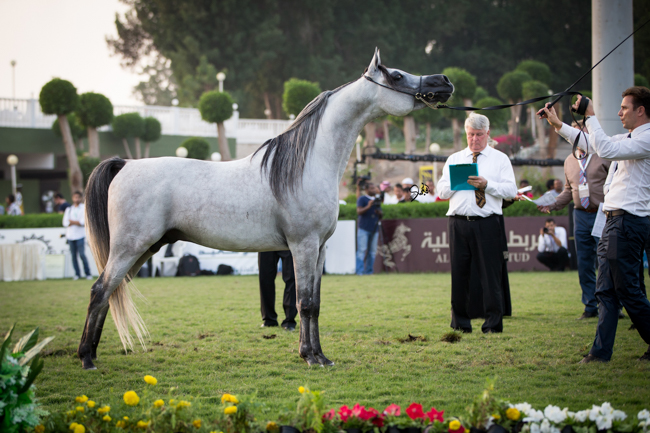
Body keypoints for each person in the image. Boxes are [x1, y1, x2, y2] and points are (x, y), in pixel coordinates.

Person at [538, 86, 650, 363]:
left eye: (624, 108)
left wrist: (590, 115)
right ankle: (600, 353)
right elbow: (591, 145)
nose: (619, 112)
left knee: (627, 290)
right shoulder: (628, 138)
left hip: (628, 222)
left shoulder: (647, 138)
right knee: (606, 292)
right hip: (613, 222)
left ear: (641, 111)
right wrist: (557, 124)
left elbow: (606, 149)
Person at [437, 112, 517, 333]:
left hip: (488, 223)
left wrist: (486, 185)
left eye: (479, 135)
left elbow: (511, 190)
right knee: (459, 275)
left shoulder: (500, 159)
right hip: (458, 223)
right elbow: (441, 191)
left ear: (488, 133)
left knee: (490, 275)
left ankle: (492, 324)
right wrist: (458, 182)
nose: (474, 139)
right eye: (471, 134)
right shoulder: (455, 159)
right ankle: (460, 323)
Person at [538, 136, 610, 318]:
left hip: (602, 213)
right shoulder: (569, 160)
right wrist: (552, 204)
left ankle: (611, 306)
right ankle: (590, 306)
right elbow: (569, 190)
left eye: (582, 130)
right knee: (584, 262)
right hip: (580, 215)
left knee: (607, 261)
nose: (577, 135)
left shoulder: (604, 154)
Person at [258, 250, 297, 331]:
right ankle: (269, 319)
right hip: (266, 243)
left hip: (288, 243)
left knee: (291, 278)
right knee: (265, 278)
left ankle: (289, 321)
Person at [63, 191, 92, 280]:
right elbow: (65, 223)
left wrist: (72, 222)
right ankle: (77, 274)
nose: (77, 199)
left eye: (78, 197)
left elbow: (83, 222)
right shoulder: (69, 209)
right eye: (75, 197)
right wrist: (76, 222)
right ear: (72, 198)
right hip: (70, 236)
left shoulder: (84, 208)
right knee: (73, 256)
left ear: (81, 198)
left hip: (80, 236)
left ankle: (88, 273)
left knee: (82, 255)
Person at [356, 181, 382, 275]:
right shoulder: (362, 199)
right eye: (371, 188)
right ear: (366, 190)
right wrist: (368, 206)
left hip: (374, 229)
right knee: (362, 250)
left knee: (372, 252)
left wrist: (379, 212)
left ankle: (369, 271)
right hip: (363, 228)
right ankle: (360, 271)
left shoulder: (377, 199)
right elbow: (359, 211)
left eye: (374, 188)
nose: (374, 190)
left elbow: (381, 214)